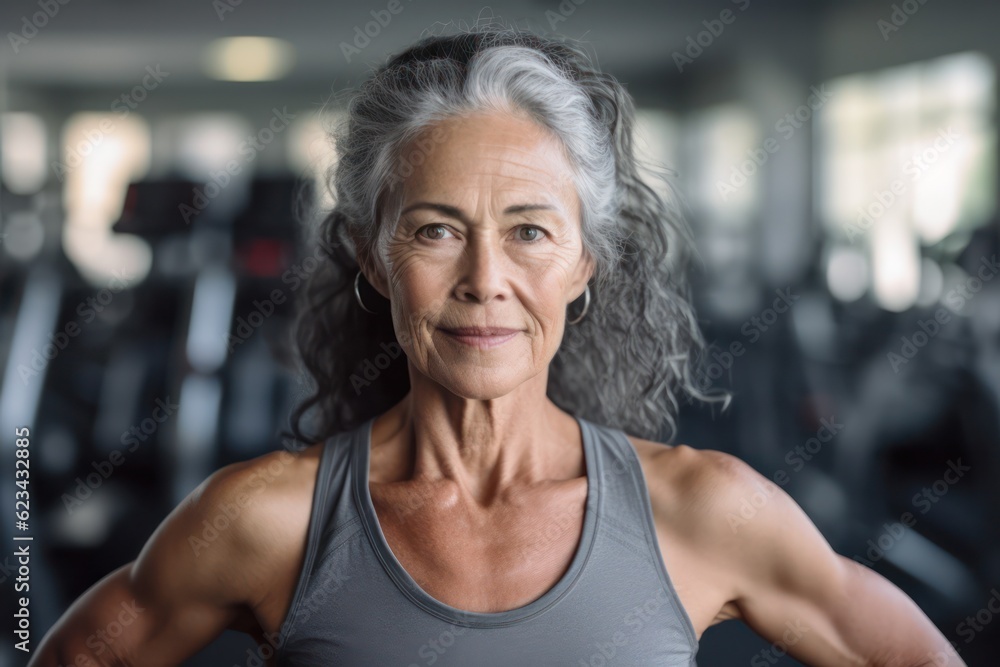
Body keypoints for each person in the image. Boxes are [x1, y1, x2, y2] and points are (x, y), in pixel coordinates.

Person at [32, 25, 965, 667]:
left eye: (529, 231)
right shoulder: (263, 520)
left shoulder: (704, 512)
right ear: (373, 255)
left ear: (586, 261)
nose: (486, 279)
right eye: (436, 230)